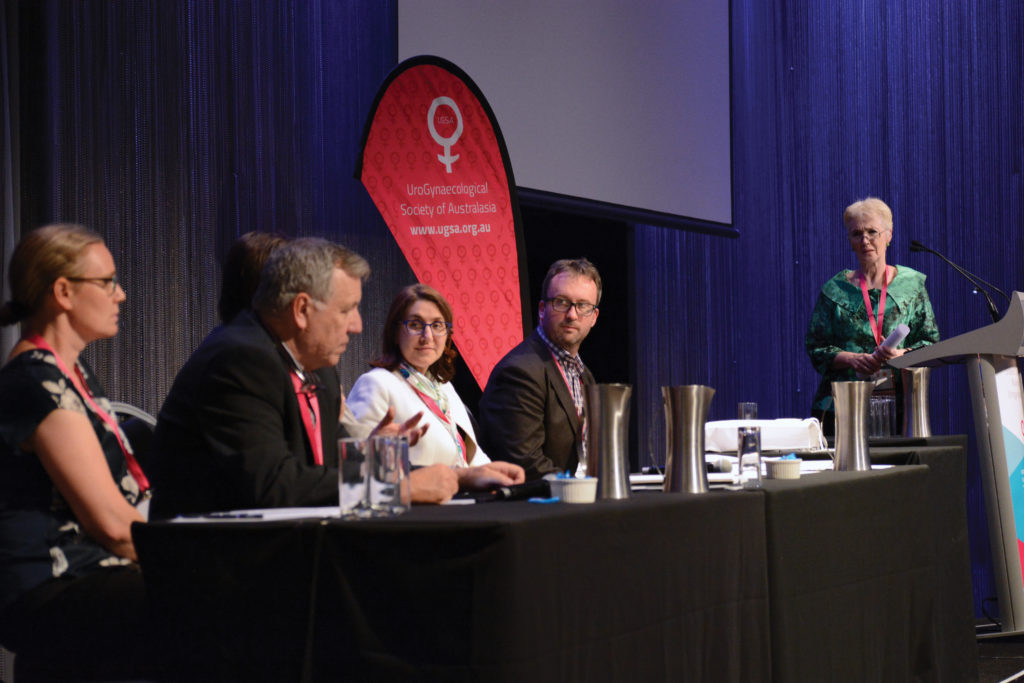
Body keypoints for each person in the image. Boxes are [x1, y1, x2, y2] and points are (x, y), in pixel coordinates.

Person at [150, 238, 480, 518]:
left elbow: (334, 467)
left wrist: (459, 478)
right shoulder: (240, 360)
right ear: (302, 310)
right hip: (216, 562)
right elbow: (273, 485)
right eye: (346, 309)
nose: (357, 325)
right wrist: (400, 488)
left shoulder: (317, 368)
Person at [0, 224, 160, 679]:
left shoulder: (71, 372)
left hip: (91, 569)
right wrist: (188, 554)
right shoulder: (35, 381)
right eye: (108, 282)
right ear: (63, 292)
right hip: (55, 581)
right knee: (209, 593)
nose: (121, 295)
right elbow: (112, 526)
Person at [344, 284, 525, 488]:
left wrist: (495, 472)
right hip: (415, 509)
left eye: (437, 325)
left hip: (457, 501)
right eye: (415, 324)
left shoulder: (442, 387)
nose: (427, 336)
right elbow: (357, 471)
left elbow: (466, 459)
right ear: (395, 332)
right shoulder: (376, 384)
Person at [805, 197, 939, 433]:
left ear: (889, 235)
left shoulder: (912, 286)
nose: (865, 240)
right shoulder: (835, 291)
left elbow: (930, 343)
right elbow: (816, 347)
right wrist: (852, 358)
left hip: (900, 409)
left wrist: (901, 355)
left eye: (872, 232)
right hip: (842, 409)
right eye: (857, 234)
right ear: (850, 240)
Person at [478, 258, 601, 479]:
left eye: (583, 305)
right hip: (536, 506)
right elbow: (525, 462)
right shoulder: (519, 372)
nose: (572, 315)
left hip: (572, 502)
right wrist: (581, 490)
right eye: (562, 302)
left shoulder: (585, 374)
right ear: (542, 309)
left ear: (594, 317)